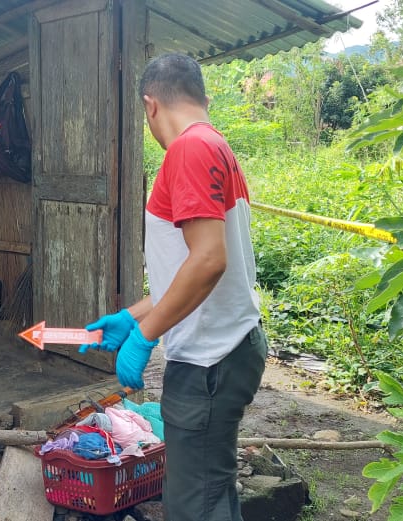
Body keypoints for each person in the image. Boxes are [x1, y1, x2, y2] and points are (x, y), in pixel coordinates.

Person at [80, 53, 267, 521]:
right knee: (211, 491)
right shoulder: (214, 145)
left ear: (150, 106)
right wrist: (135, 316)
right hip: (225, 352)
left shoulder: (188, 149)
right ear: (202, 96)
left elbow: (208, 261)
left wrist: (146, 337)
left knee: (193, 506)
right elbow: (190, 267)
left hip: (210, 362)